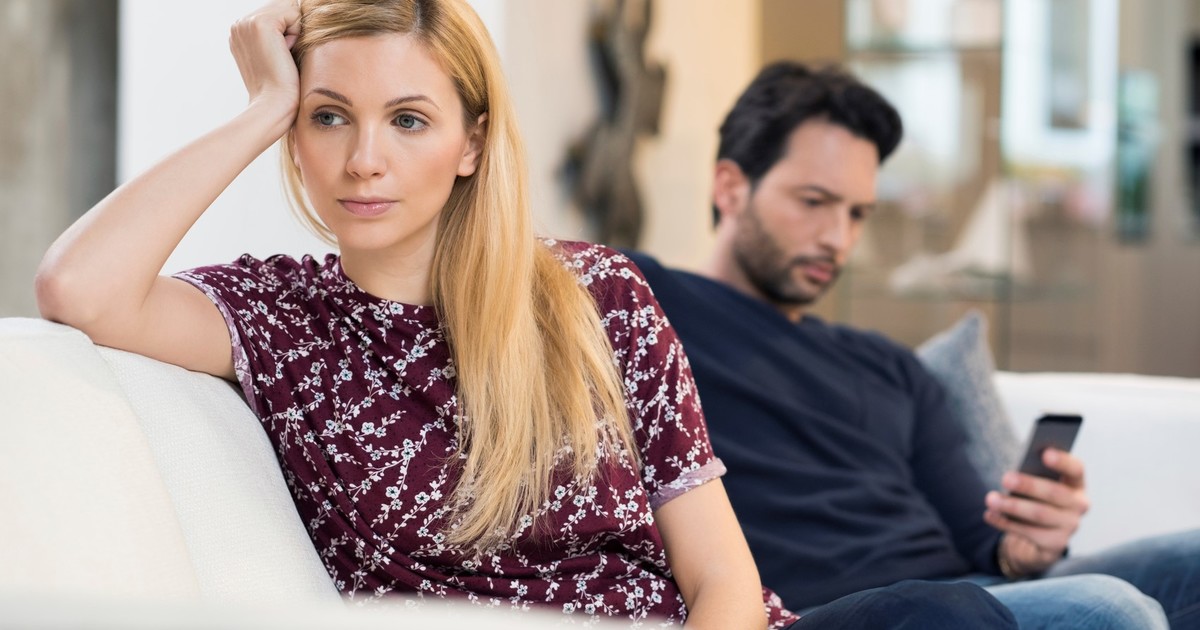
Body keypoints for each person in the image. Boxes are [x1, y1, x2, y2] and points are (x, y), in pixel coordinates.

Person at [33, 2, 1020, 628]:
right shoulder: (283, 319)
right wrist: (258, 109)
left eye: (408, 119)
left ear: (470, 143)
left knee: (950, 615)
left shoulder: (594, 294)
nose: (364, 159)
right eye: (328, 117)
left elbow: (720, 577)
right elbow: (80, 289)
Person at [626, 61, 1200, 629]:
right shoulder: (646, 307)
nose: (838, 238)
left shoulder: (891, 365)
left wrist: (1027, 543)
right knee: (1108, 608)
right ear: (730, 187)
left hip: (977, 597)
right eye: (814, 201)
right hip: (837, 611)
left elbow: (984, 540)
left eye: (858, 214)